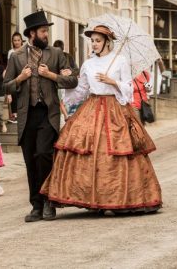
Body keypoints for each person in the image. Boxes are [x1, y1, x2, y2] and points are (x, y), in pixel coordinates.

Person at [41, 25, 162, 214]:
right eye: (92, 40)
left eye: (98, 40)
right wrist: (67, 82)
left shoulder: (120, 60)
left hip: (115, 109)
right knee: (86, 148)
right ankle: (92, 199)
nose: (94, 44)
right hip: (92, 106)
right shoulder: (88, 64)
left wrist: (113, 82)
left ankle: (118, 199)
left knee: (116, 152)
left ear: (107, 41)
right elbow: (81, 90)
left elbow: (129, 89)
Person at [3, 10, 77, 223]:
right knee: (30, 160)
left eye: (47, 31)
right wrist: (20, 78)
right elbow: (5, 87)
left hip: (48, 113)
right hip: (26, 116)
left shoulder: (56, 54)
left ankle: (48, 201)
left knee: (44, 155)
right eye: (43, 31)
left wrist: (51, 75)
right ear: (32, 33)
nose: (47, 35)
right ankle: (35, 205)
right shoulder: (16, 57)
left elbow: (72, 80)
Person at [6, 32, 25, 124]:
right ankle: (14, 114)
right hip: (14, 74)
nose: (16, 42)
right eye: (15, 40)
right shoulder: (11, 52)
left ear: (21, 41)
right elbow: (9, 65)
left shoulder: (25, 50)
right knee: (13, 92)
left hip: (23, 73)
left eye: (18, 40)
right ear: (12, 41)